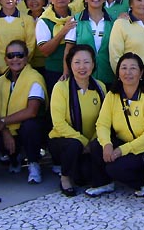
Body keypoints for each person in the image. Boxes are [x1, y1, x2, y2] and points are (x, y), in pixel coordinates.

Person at [86, 53, 144, 197]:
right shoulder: (112, 96)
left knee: (114, 168)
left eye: (133, 68)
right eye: (124, 68)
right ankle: (104, 183)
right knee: (97, 145)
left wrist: (122, 150)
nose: (128, 72)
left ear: (141, 73)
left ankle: (143, 181)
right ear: (118, 73)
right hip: (123, 142)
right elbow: (102, 124)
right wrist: (107, 144)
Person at [49, 45, 107, 196]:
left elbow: (105, 120)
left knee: (85, 178)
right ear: (70, 64)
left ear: (93, 64)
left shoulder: (100, 87)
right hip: (65, 141)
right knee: (74, 145)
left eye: (86, 62)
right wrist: (82, 141)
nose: (82, 67)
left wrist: (92, 142)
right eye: (77, 62)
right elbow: (59, 123)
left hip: (90, 142)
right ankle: (65, 178)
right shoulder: (61, 88)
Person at [0, 40, 48, 184]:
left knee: (31, 126)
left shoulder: (35, 78)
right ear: (5, 59)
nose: (15, 59)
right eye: (11, 56)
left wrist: (3, 122)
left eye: (19, 55)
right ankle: (14, 158)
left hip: (30, 129)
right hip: (8, 129)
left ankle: (33, 163)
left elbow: (32, 111)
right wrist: (4, 131)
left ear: (26, 57)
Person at [64, 0, 115, 86]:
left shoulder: (114, 22)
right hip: (82, 79)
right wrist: (66, 72)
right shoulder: (76, 20)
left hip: (109, 78)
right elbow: (68, 50)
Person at [36, 0, 77, 93]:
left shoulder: (78, 14)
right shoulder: (44, 21)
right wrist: (63, 31)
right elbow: (45, 51)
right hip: (54, 71)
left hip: (78, 70)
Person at [24, 0, 48, 75]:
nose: (33, 1)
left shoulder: (50, 16)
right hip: (27, 64)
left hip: (46, 64)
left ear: (43, 0)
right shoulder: (23, 19)